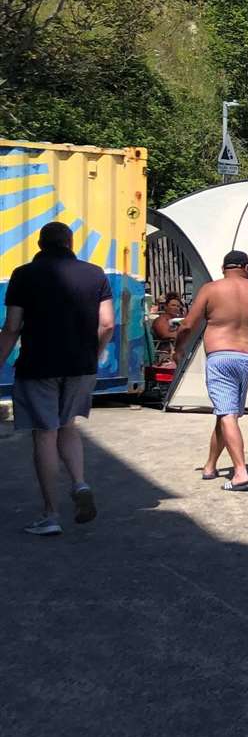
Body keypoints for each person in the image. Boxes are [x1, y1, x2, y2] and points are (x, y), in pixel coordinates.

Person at [0, 221, 112, 536]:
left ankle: (50, 515)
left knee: (44, 434)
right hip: (81, 365)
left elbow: (12, 327)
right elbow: (107, 325)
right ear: (70, 242)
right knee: (68, 427)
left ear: (40, 244)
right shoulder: (95, 274)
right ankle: (79, 483)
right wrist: (95, 354)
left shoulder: (24, 275)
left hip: (39, 365)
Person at [174, 251, 248, 491]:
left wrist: (179, 348)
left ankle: (240, 472)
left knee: (226, 413)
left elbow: (187, 324)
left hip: (220, 355)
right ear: (246, 267)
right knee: (227, 413)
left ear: (223, 267)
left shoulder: (211, 289)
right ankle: (210, 465)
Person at [151, 295, 184, 361]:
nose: (176, 308)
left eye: (178, 306)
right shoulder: (161, 320)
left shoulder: (178, 320)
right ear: (166, 307)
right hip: (166, 353)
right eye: (173, 305)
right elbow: (165, 334)